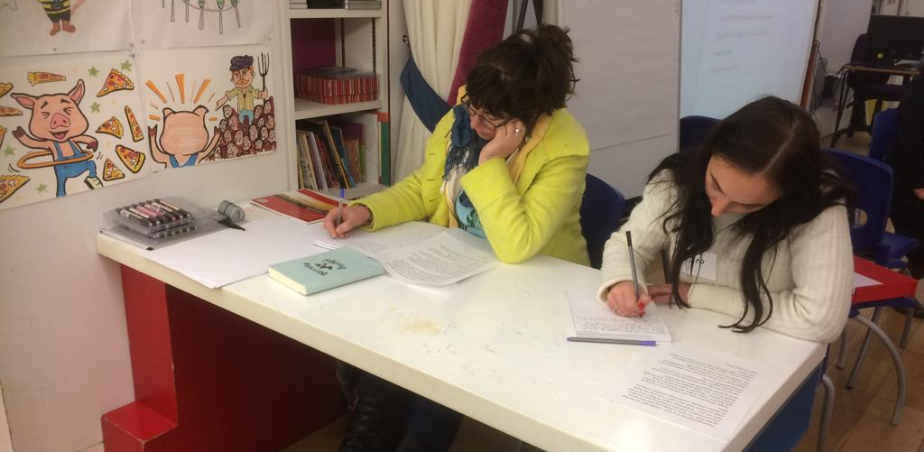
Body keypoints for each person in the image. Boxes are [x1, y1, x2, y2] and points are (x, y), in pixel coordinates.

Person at [323, 24, 589, 452]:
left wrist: (489, 162)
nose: (472, 121)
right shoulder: (464, 116)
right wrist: (366, 210)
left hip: (532, 294)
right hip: (458, 275)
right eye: (471, 108)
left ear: (526, 118)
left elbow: (517, 245)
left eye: (488, 119)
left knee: (424, 353)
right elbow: (424, 189)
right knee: (396, 342)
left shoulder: (564, 150)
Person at [599, 97, 854, 343]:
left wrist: (697, 294)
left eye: (747, 205)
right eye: (715, 185)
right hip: (686, 337)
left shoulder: (816, 208)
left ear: (785, 196)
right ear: (712, 150)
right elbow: (626, 245)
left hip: (769, 346)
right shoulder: (679, 180)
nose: (717, 210)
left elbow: (820, 319)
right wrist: (622, 278)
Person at [888, 72, 924, 278]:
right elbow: (908, 141)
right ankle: (911, 273)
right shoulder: (920, 88)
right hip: (910, 182)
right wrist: (918, 185)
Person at [216, 55, 267, 126]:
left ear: (252, 74)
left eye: (245, 73)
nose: (241, 78)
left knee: (251, 124)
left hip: (250, 112)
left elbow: (258, 94)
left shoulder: (251, 90)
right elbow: (228, 96)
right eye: (237, 75)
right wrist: (221, 101)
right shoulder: (237, 90)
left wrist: (263, 94)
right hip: (240, 113)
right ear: (232, 78)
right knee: (241, 124)